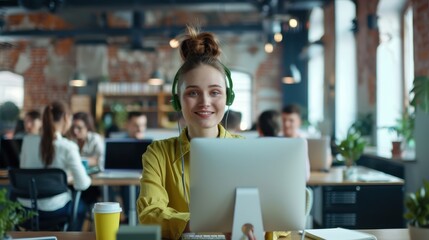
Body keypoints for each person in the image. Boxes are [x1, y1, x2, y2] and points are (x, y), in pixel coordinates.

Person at [137, 25, 243, 239]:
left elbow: (280, 221)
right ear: (177, 101)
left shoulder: (246, 150)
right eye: (193, 92)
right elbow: (149, 214)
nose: (205, 102)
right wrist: (201, 224)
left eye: (215, 92)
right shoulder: (159, 153)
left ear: (227, 98)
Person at [19, 100, 91, 231]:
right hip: (54, 209)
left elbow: (24, 172)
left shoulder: (27, 141)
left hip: (26, 209)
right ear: (66, 118)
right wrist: (66, 178)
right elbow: (83, 184)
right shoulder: (68, 147)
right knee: (81, 209)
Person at [281, 104, 310, 181]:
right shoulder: (275, 141)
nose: (286, 124)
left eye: (291, 121)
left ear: (299, 122)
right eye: (284, 120)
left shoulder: (307, 139)